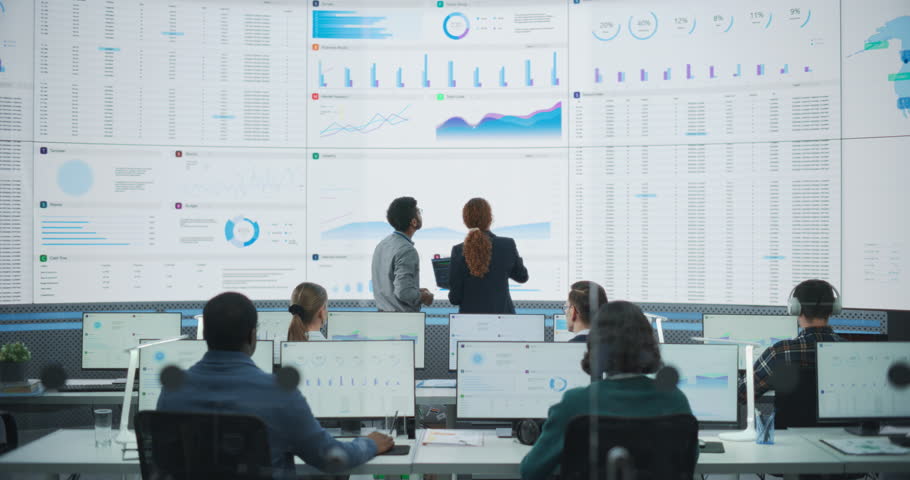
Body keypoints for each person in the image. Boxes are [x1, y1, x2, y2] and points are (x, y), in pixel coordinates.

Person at [158, 292, 394, 474]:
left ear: (205, 333)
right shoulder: (278, 394)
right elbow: (330, 458)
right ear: (253, 336)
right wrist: (369, 443)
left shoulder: (173, 393)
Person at [519, 301, 694, 480]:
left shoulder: (576, 404)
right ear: (649, 345)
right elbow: (688, 461)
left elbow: (531, 471)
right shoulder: (674, 400)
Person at [742, 279, 846, 400]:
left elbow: (743, 394)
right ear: (834, 308)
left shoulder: (779, 353)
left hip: (790, 420)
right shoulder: (852, 352)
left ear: (795, 308)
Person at [447, 198, 529, 314]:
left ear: (466, 221)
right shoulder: (507, 245)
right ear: (490, 219)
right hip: (503, 319)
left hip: (470, 322)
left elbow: (455, 299)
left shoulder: (458, 250)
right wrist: (513, 257)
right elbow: (522, 277)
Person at [371, 197, 434, 312]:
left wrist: (415, 291)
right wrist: (425, 297)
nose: (420, 214)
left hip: (381, 317)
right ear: (413, 222)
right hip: (402, 322)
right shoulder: (407, 250)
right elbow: (404, 293)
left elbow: (390, 288)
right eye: (418, 211)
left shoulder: (382, 244)